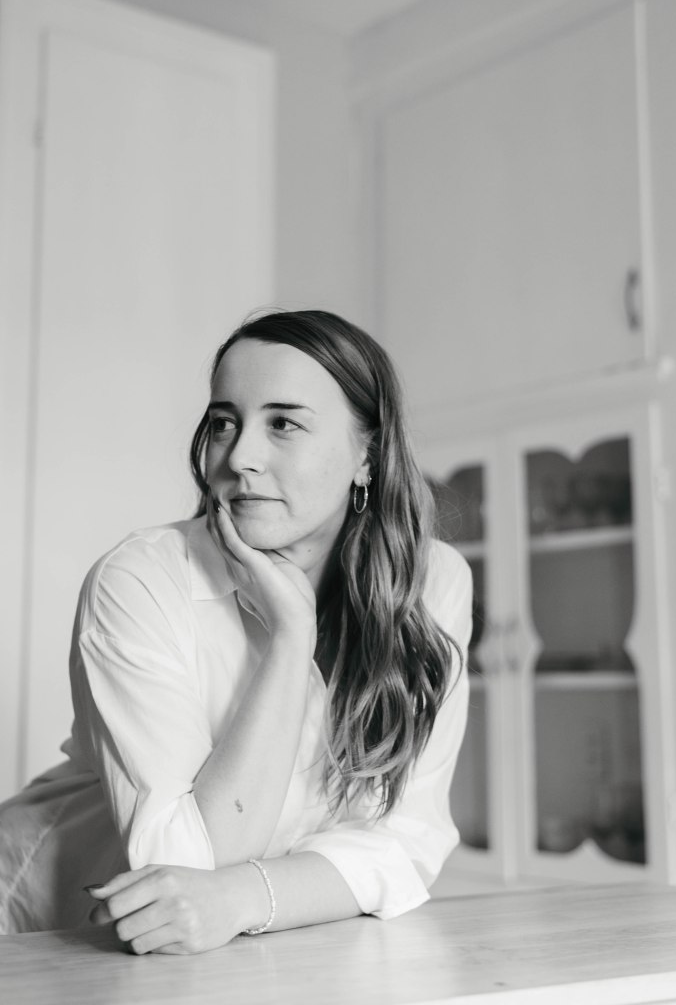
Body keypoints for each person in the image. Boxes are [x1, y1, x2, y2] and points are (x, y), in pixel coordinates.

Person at [0, 309, 472, 952]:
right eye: (225, 422)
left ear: (368, 454)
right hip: (48, 937)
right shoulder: (140, 581)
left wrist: (245, 898)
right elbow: (183, 869)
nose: (239, 457)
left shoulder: (431, 583)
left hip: (243, 943)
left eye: (283, 423)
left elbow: (407, 839)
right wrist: (291, 637)